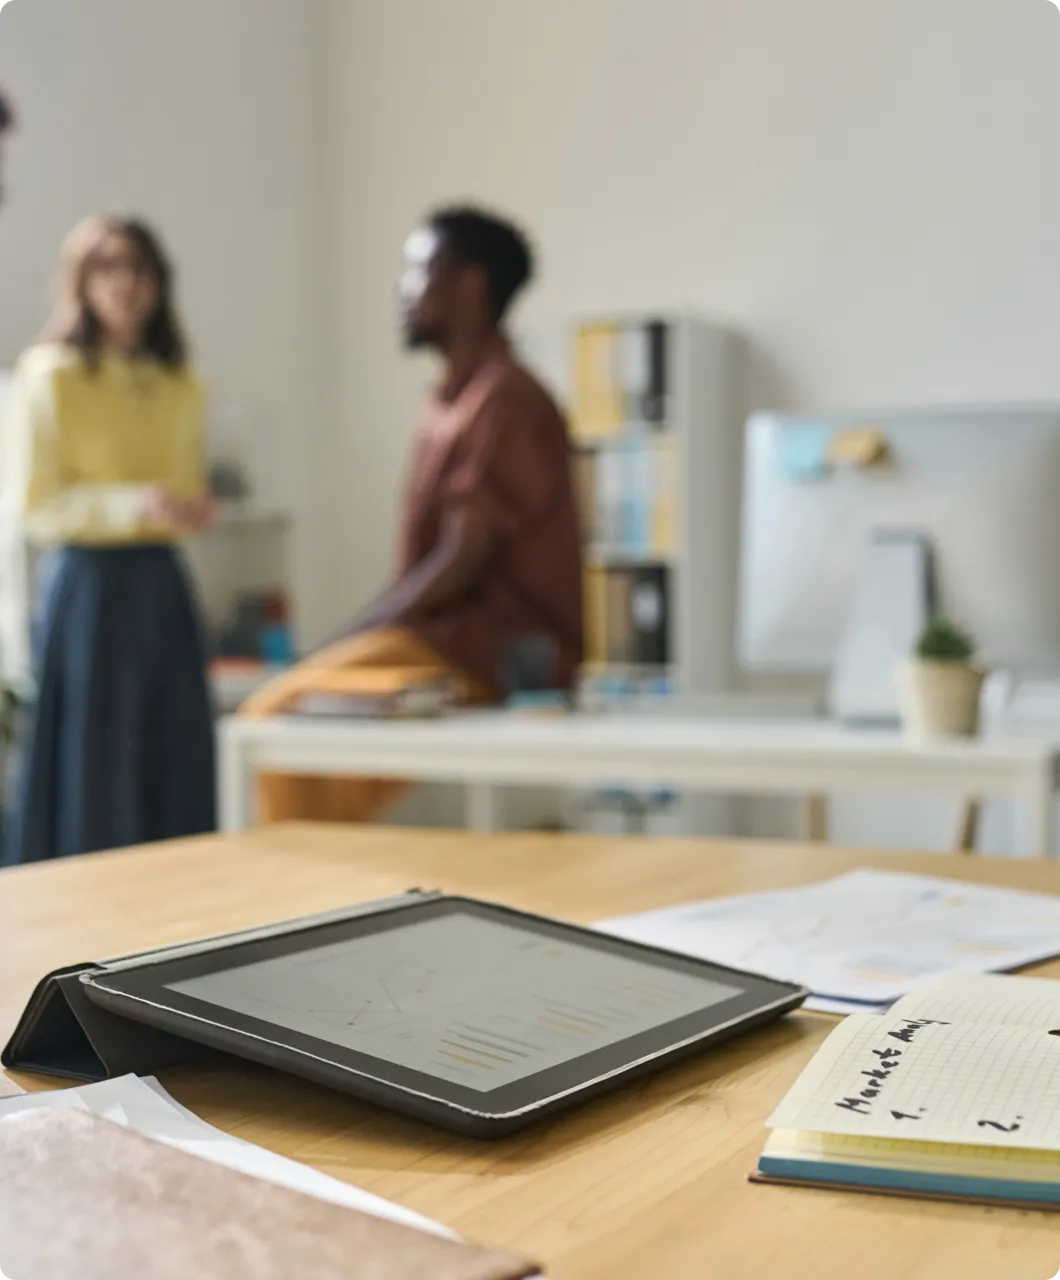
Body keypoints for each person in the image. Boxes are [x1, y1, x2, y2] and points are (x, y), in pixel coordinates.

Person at [242, 205, 583, 822]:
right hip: (440, 644)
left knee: (273, 719)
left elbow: (461, 555)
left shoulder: (505, 399)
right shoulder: (452, 400)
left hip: (484, 654)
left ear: (470, 286)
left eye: (418, 271)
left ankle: (315, 903)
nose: (401, 291)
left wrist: (351, 637)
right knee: (278, 723)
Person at [1, 216, 217, 863]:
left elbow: (182, 484)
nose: (127, 285)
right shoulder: (51, 375)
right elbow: (38, 508)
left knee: (174, 750)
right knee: (95, 763)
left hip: (160, 580)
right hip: (88, 586)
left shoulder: (182, 381)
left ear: (159, 284)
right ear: (82, 281)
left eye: (140, 270)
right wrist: (134, 505)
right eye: (110, 268)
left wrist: (182, 509)